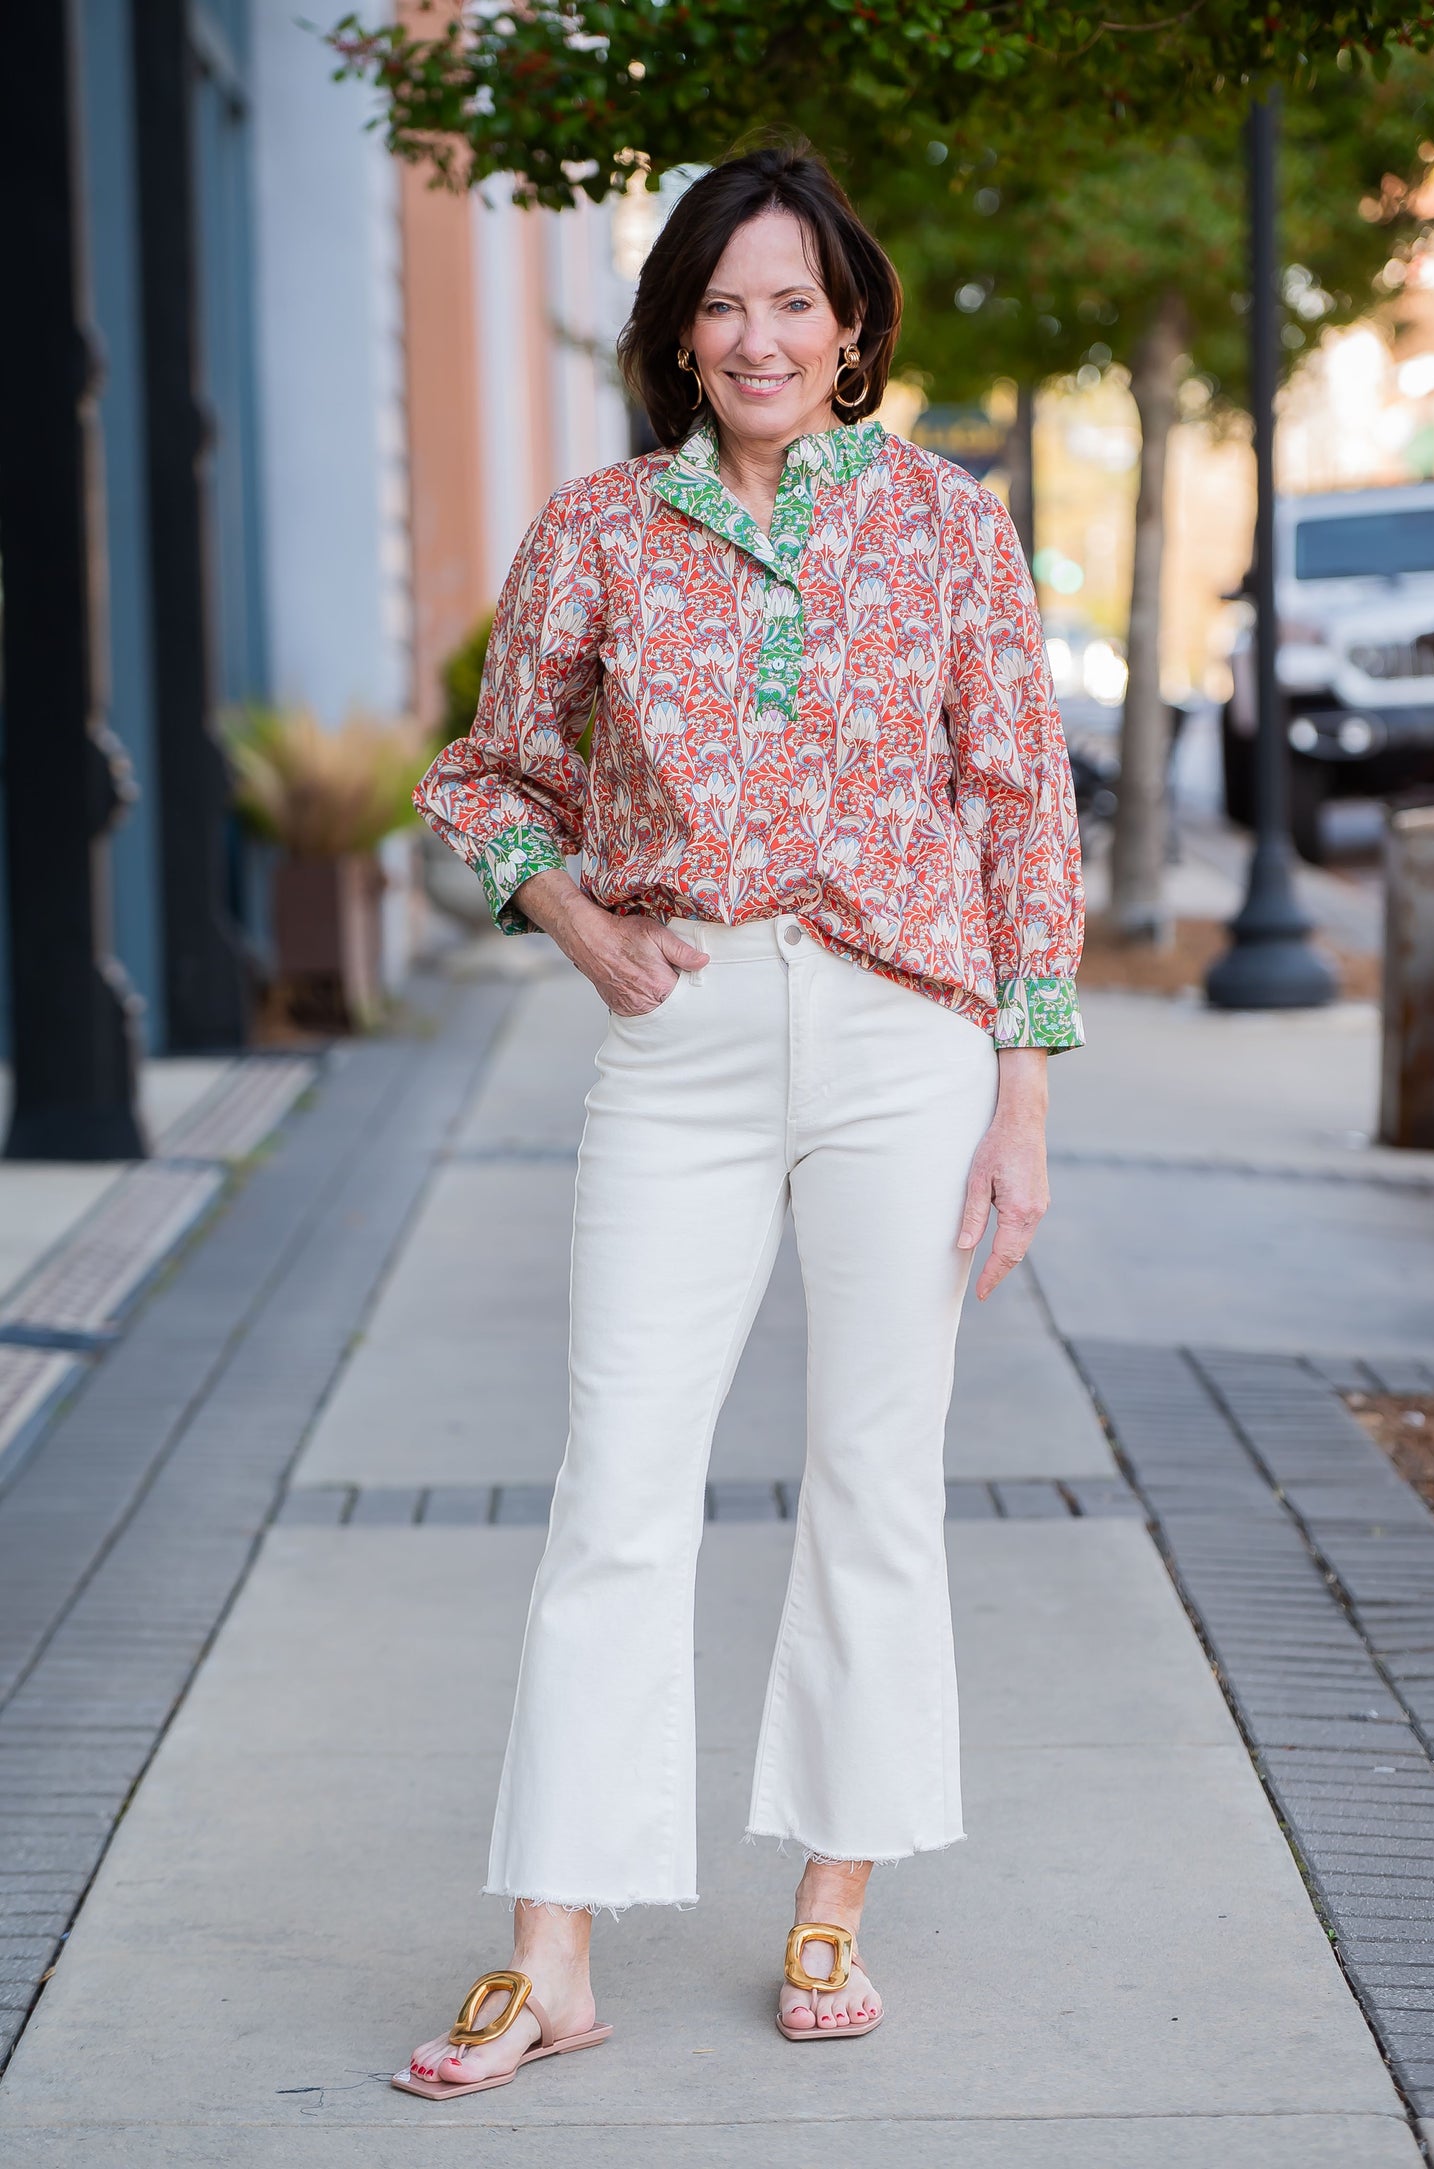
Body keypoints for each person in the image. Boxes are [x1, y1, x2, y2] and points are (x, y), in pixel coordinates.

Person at [399, 142, 1083, 2098]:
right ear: (676, 334)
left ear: (853, 323)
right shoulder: (599, 529)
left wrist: (1021, 1098)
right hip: (681, 1035)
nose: (760, 334)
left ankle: (831, 1895)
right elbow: (478, 778)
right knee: (617, 1479)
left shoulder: (955, 527)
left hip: (909, 1039)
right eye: (723, 303)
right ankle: (554, 1949)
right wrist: (582, 928)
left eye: (795, 299)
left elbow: (1022, 804)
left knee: (874, 1471)